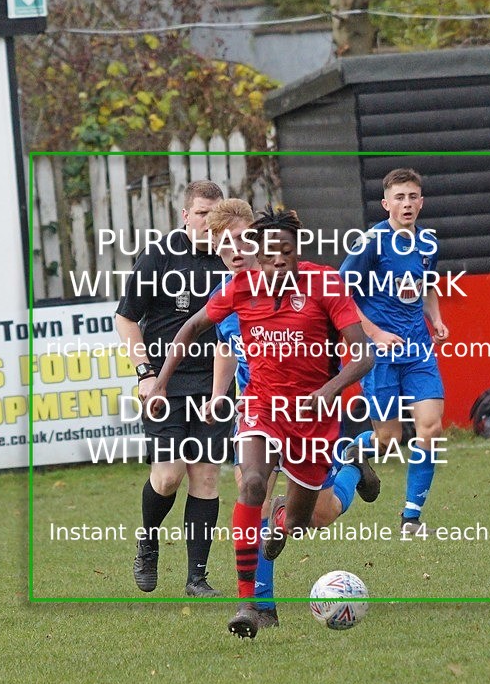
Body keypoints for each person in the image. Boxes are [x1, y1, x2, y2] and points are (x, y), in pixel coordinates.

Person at [147, 206, 375, 638]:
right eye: (268, 253)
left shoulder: (325, 284)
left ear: (296, 250)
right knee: (252, 484)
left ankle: (347, 468)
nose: (276, 261)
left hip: (314, 417)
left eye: (284, 252)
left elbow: (363, 353)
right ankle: (251, 603)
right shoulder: (238, 289)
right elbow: (193, 329)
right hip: (262, 408)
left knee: (303, 521)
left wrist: (328, 391)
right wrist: (160, 383)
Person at [115, 180, 231, 597]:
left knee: (206, 477)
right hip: (165, 385)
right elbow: (126, 318)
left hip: (215, 384)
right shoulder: (161, 256)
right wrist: (146, 373)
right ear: (185, 216)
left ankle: (196, 578)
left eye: (215, 216)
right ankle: (148, 541)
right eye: (201, 214)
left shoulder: (231, 261)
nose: (208, 223)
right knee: (167, 476)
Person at [339, 168, 449, 535]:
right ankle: (354, 450)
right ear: (386, 203)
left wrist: (436, 319)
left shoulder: (428, 244)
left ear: (421, 202)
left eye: (412, 196)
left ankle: (411, 519)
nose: (407, 204)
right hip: (380, 357)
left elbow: (427, 285)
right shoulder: (370, 243)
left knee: (430, 429)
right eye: (399, 197)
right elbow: (341, 293)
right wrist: (376, 333)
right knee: (389, 440)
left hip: (418, 351)